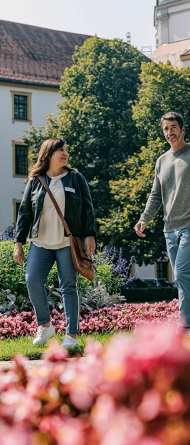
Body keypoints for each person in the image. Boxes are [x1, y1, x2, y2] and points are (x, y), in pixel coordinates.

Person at [13, 138, 96, 348]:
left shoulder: (76, 178)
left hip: (67, 243)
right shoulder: (35, 180)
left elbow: (88, 209)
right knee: (32, 279)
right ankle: (45, 325)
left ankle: (72, 335)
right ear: (49, 153)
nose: (65, 153)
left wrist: (89, 235)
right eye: (60, 150)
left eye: (66, 150)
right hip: (40, 242)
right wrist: (18, 242)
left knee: (69, 286)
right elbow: (24, 213)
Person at [135, 112, 190, 338]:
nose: (170, 133)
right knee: (184, 278)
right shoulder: (161, 161)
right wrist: (144, 217)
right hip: (169, 229)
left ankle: (184, 327)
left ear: (183, 129)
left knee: (182, 275)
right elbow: (156, 195)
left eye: (174, 127)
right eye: (166, 129)